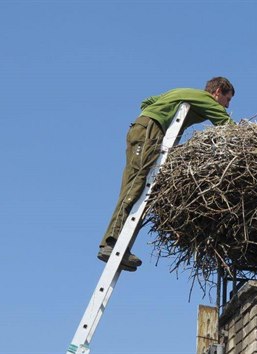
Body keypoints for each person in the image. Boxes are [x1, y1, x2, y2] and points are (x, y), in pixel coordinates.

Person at [98, 77, 236, 271]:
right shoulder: (205, 99)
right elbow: (227, 125)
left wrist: (159, 113)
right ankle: (111, 244)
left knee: (139, 185)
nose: (227, 105)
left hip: (141, 129)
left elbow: (146, 101)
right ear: (218, 91)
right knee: (137, 184)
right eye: (227, 100)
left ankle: (121, 246)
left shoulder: (183, 92)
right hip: (150, 132)